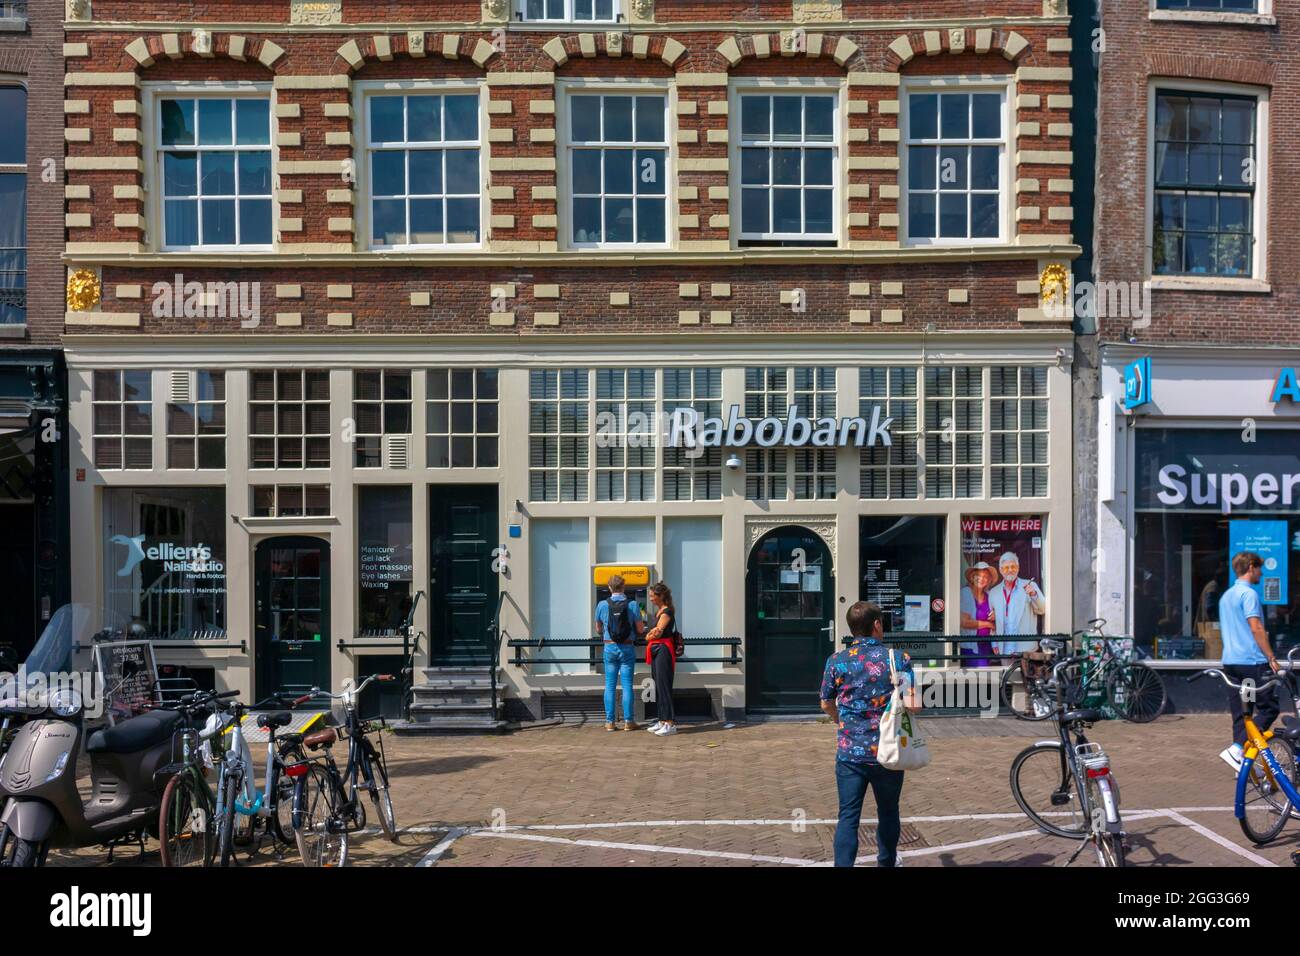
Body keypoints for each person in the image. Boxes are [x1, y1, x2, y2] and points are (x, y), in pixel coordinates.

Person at [819, 601, 914, 868]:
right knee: (888, 811)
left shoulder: (836, 661)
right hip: (888, 751)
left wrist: (841, 721)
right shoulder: (898, 659)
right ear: (876, 625)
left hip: (850, 753)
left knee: (848, 816)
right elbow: (914, 705)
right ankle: (886, 862)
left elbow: (825, 703)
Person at [1218, 551, 1281, 772]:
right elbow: (1256, 628)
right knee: (1269, 708)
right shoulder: (1249, 594)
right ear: (1251, 567)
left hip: (1231, 664)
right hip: (1252, 664)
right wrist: (1271, 657)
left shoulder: (1226, 596)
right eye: (1259, 568)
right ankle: (1237, 749)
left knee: (1243, 713)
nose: (1261, 574)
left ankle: (1243, 765)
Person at [594, 574, 644, 731]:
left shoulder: (602, 605)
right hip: (627, 647)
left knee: (610, 685)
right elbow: (640, 629)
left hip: (609, 647)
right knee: (627, 685)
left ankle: (610, 722)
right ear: (624, 587)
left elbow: (598, 629)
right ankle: (629, 722)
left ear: (609, 588)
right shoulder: (633, 604)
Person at [990, 551, 1046, 656]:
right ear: (1001, 570)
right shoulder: (994, 592)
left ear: (1018, 568)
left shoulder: (1030, 586)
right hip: (1004, 648)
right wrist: (994, 642)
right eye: (1006, 568)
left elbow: (1043, 609)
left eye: (1013, 567)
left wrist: (1033, 594)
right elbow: (992, 621)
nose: (1010, 570)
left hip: (1026, 649)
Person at [644, 581, 678, 737]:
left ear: (661, 596)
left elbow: (657, 632)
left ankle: (670, 723)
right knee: (658, 685)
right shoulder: (659, 612)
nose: (650, 599)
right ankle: (662, 720)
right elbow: (653, 633)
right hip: (656, 650)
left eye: (652, 596)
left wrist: (649, 635)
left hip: (663, 650)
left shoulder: (666, 612)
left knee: (664, 686)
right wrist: (650, 634)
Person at [958, 562, 998, 667]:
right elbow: (964, 622)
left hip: (987, 644)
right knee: (979, 673)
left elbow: (999, 616)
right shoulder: (965, 593)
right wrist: (988, 624)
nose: (982, 579)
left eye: (985, 577)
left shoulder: (989, 595)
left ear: (989, 580)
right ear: (972, 577)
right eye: (978, 575)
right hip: (971, 646)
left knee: (986, 673)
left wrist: (996, 615)